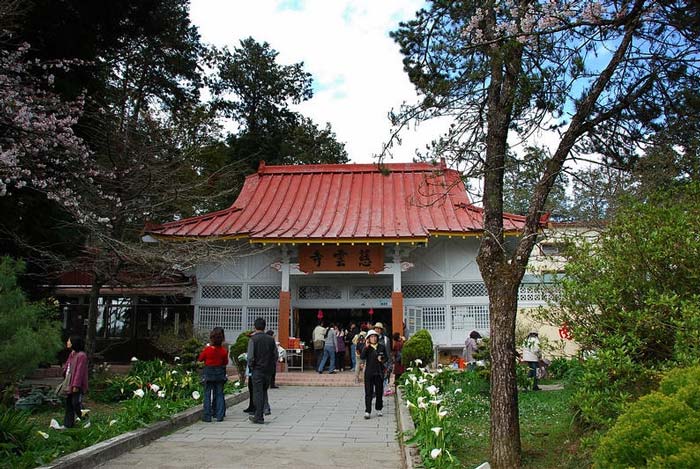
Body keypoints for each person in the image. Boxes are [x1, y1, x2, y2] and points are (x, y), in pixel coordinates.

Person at [247, 318, 277, 424]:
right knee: (264, 391)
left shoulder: (253, 339)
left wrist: (251, 366)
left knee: (257, 392)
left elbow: (250, 357)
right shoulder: (271, 339)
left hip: (257, 369)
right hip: (268, 370)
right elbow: (275, 355)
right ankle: (264, 410)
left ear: (255, 326)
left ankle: (258, 416)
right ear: (265, 326)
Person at [198, 327, 229, 422]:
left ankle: (207, 416)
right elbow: (225, 362)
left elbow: (200, 359)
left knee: (207, 394)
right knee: (219, 393)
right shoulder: (223, 351)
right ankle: (219, 415)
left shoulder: (207, 349)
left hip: (209, 372)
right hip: (219, 372)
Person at [61, 335, 88, 428]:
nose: (67, 342)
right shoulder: (72, 354)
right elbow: (67, 366)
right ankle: (68, 424)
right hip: (69, 382)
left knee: (76, 403)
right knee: (69, 403)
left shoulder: (82, 356)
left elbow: (79, 372)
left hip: (77, 384)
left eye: (69, 341)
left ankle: (85, 419)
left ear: (74, 343)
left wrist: (76, 385)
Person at [360, 330, 387, 419]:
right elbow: (362, 357)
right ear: (368, 338)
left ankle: (379, 408)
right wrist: (366, 347)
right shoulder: (367, 348)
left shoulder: (381, 347)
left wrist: (382, 359)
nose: (374, 338)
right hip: (369, 373)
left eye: (375, 336)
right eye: (371, 337)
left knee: (379, 392)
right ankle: (367, 411)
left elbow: (386, 358)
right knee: (368, 392)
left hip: (379, 372)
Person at [373, 322, 392, 390]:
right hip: (373, 364)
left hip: (383, 363)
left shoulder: (386, 339)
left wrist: (389, 365)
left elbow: (388, 353)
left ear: (381, 330)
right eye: (376, 328)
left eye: (379, 329)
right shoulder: (371, 339)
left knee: (383, 381)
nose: (377, 330)